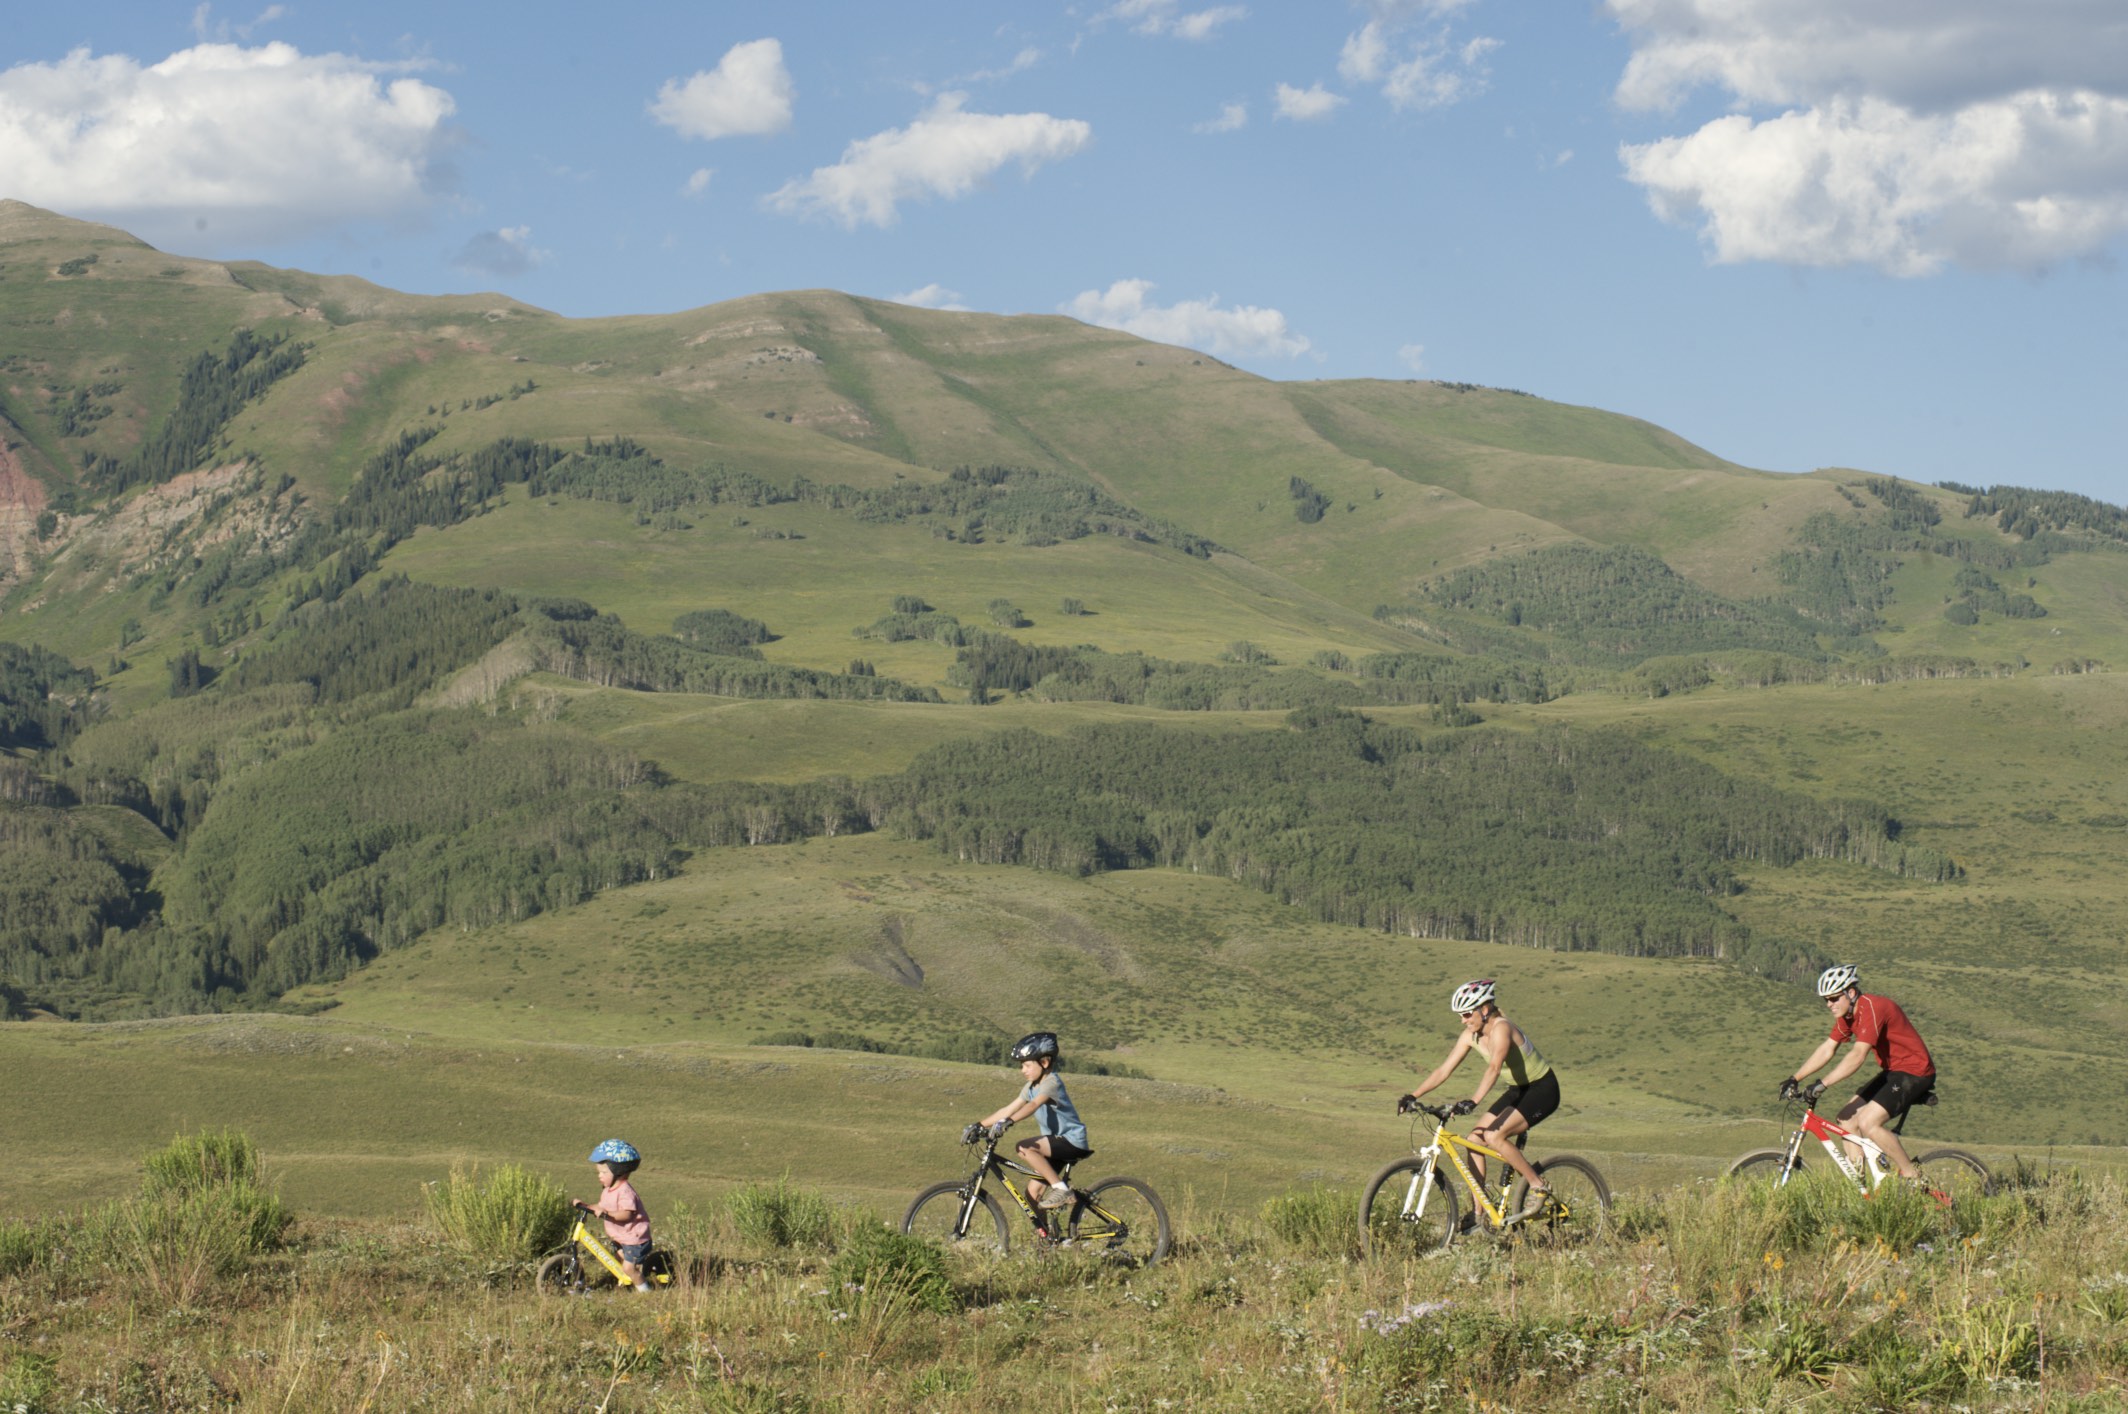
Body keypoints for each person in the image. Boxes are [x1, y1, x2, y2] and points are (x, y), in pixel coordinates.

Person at [1398, 979, 1560, 1218]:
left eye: (1466, 1014)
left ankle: (1538, 1185)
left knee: (1494, 1136)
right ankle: (1480, 1213)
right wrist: (1413, 1095)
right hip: (1517, 1090)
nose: (1463, 1021)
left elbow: (1494, 1068)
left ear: (1484, 1010)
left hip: (1542, 1089)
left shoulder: (1501, 1028)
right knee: (1474, 1141)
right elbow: (1444, 1070)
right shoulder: (1469, 1035)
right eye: (1460, 1016)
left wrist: (1473, 1101)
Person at [1781, 964, 1935, 1181]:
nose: (1829, 1004)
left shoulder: (1873, 1007)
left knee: (1867, 1122)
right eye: (1825, 1000)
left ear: (1850, 993)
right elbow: (1828, 1048)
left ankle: (1913, 1175)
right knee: (1846, 1119)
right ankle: (1860, 1187)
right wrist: (1794, 1078)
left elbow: (1857, 1055)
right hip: (1893, 1071)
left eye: (1834, 998)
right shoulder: (1847, 1016)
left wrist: (1822, 1085)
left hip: (1914, 1071)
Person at [978, 1031, 1091, 1219]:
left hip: (1071, 1141)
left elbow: (1033, 1105)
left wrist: (1010, 1121)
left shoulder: (1051, 1082)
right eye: (1022, 1065)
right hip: (1055, 1146)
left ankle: (1061, 1190)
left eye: (1027, 1065)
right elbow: (1008, 1109)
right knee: (1032, 1195)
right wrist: (978, 1125)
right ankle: (1047, 1242)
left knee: (1024, 1147)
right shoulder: (1030, 1087)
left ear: (1044, 1063)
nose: (1023, 1070)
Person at [575, 1139, 654, 1292]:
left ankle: (646, 1292)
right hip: (621, 1237)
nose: (599, 1176)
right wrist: (585, 1206)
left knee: (628, 1268)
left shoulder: (625, 1192)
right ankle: (625, 1284)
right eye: (598, 1172)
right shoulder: (608, 1190)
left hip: (635, 1239)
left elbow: (626, 1215)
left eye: (604, 1172)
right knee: (617, 1262)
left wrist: (608, 1214)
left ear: (619, 1172)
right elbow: (601, 1206)